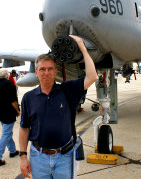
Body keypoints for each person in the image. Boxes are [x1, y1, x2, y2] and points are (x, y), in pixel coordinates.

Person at [19, 35, 98, 178]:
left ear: (56, 72)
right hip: (38, 158)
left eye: (50, 69)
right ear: (36, 72)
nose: (46, 73)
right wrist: (23, 156)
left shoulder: (68, 91)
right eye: (42, 69)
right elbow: (24, 127)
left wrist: (81, 46)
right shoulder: (28, 98)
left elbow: (92, 76)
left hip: (64, 157)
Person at [0, 69, 20, 166]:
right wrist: (18, 110)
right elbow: (13, 101)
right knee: (6, 133)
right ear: (7, 76)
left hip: (0, 113)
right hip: (9, 113)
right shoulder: (10, 85)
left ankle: (12, 150)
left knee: (7, 132)